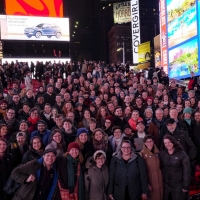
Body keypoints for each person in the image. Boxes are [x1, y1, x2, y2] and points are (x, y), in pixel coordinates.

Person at [160, 135, 191, 200]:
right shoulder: (163, 153)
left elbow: (187, 170)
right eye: (165, 143)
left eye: (169, 142)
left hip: (178, 185)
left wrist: (185, 186)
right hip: (166, 184)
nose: (167, 144)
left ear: (173, 142)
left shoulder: (182, 154)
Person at [140, 135, 163, 200]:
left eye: (151, 141)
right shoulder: (142, 154)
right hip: (150, 178)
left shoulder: (157, 152)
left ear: (153, 142)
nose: (149, 143)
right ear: (144, 143)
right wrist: (146, 184)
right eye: (147, 142)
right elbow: (142, 171)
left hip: (159, 177)